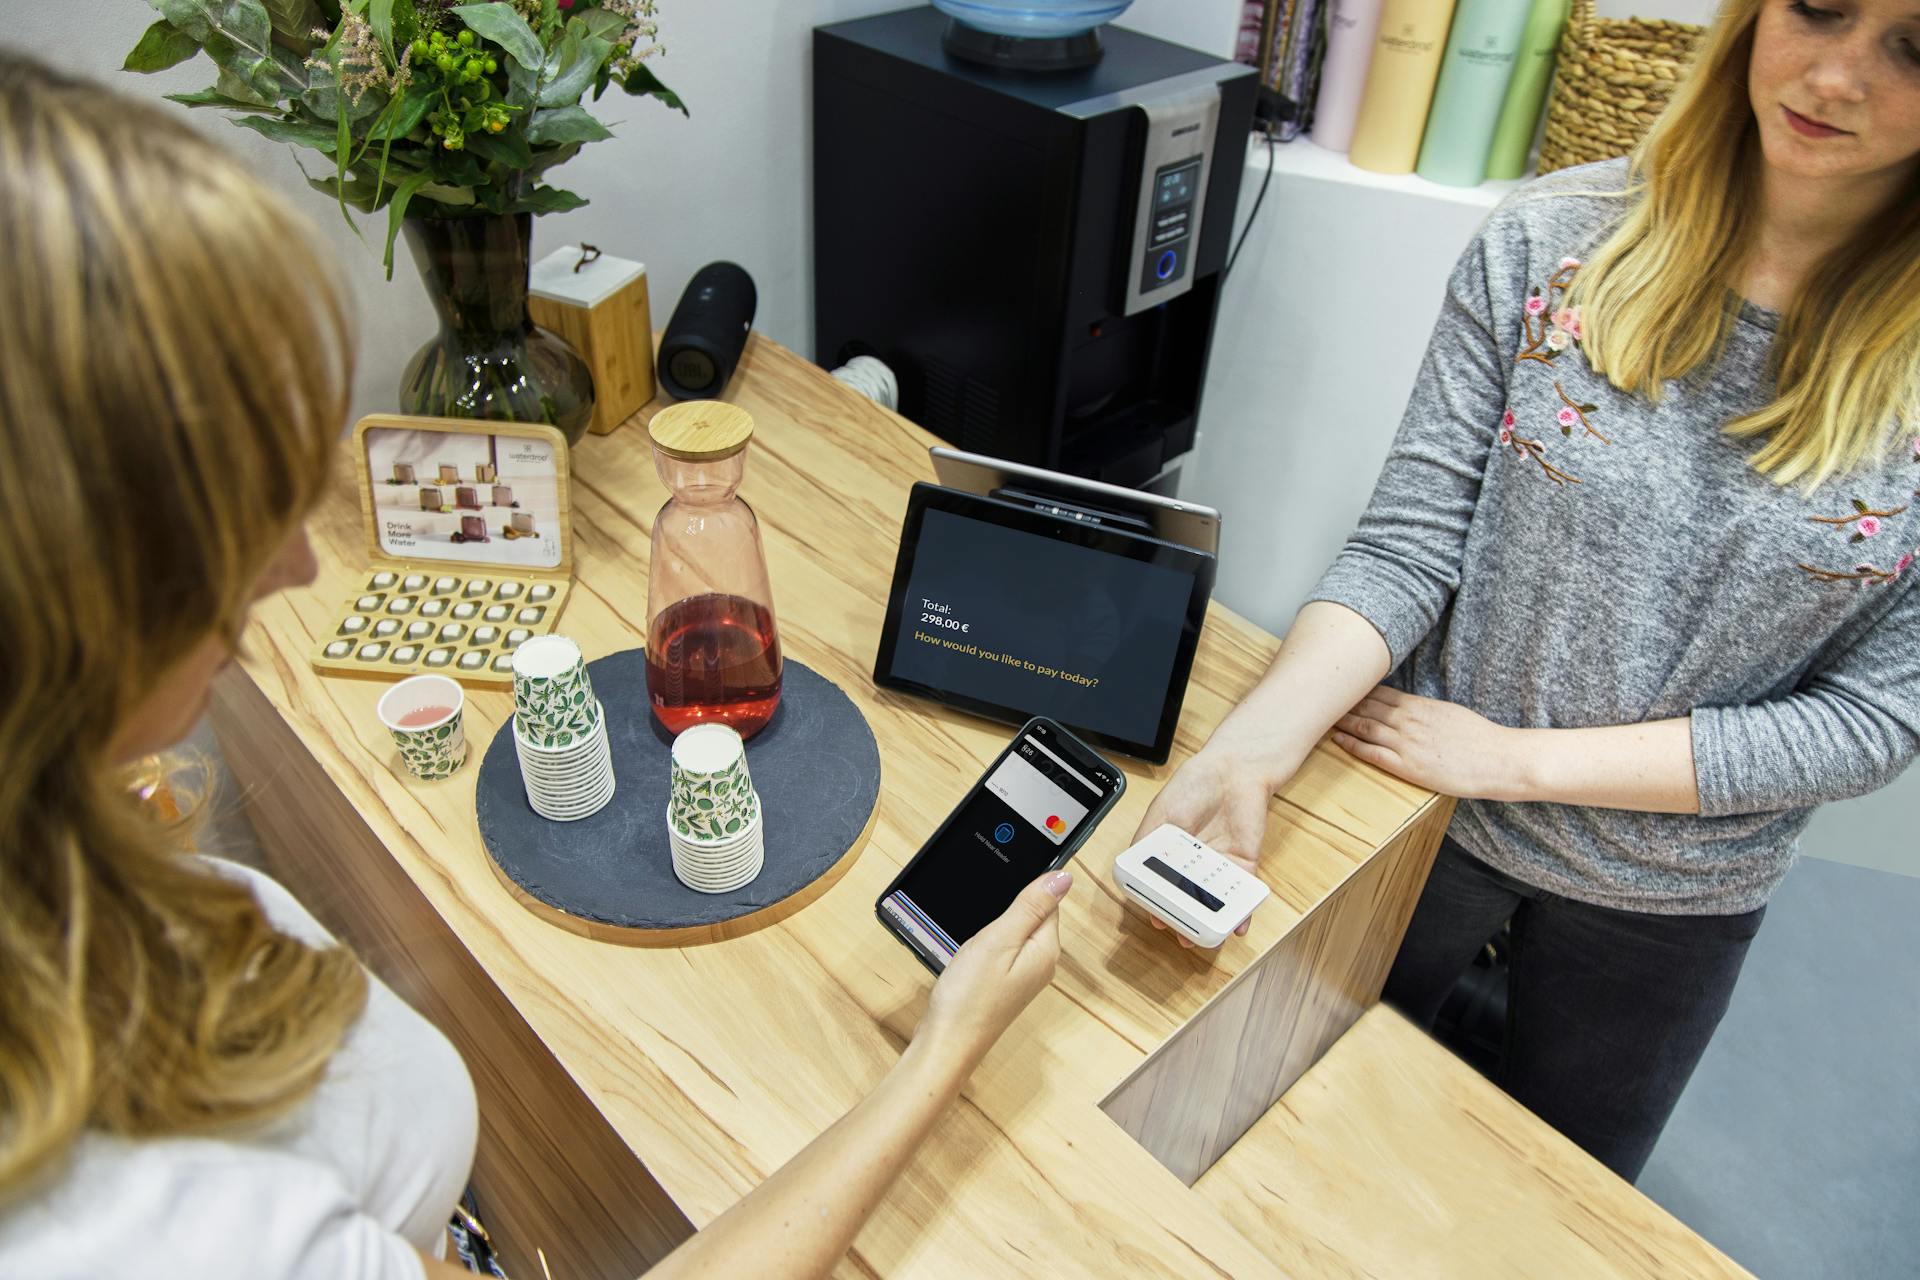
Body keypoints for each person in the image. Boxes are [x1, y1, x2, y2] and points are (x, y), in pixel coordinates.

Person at [0, 53, 1072, 1279]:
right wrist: (945, 1048)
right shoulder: (133, 1228)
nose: (300, 565)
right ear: (62, 581)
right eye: (239, 510)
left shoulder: (70, 869)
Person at [1137, 0, 1920, 1182]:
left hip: (1671, 893)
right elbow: (1411, 541)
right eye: (1817, 9)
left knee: (1549, 1196)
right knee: (1262, 1140)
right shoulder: (1556, 238)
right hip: (1414, 808)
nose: (1840, 76)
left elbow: (1872, 721)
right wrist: (1252, 746)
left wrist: (1514, 761)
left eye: (1916, 48)